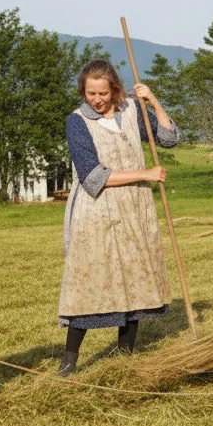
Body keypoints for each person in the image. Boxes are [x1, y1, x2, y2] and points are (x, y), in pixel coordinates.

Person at [57, 59, 179, 376]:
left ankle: (125, 355)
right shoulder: (77, 122)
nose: (97, 100)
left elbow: (167, 138)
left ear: (114, 89)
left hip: (135, 208)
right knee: (89, 282)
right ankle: (69, 362)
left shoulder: (130, 111)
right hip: (95, 212)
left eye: (102, 93)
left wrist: (152, 99)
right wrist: (146, 174)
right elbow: (93, 176)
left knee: (135, 277)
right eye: (90, 93)